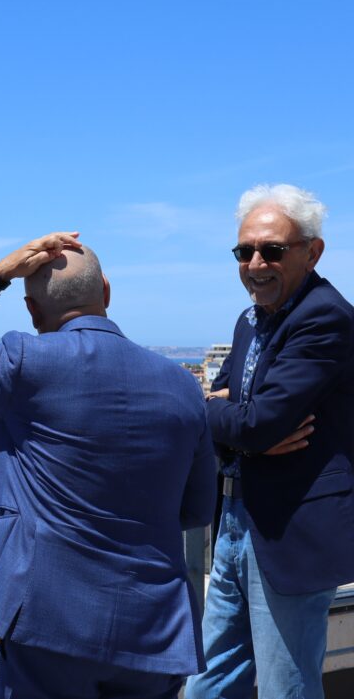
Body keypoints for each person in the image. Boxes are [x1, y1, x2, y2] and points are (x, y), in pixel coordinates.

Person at [0, 232, 217, 699]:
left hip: (49, 618)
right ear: (107, 292)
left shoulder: (25, 362)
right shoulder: (181, 385)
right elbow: (197, 508)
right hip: (156, 624)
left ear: (32, 311)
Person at [186, 184, 354, 699]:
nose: (256, 263)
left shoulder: (325, 318)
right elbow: (242, 424)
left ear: (312, 252)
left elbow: (258, 422)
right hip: (233, 521)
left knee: (286, 687)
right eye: (245, 251)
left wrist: (221, 413)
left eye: (272, 250)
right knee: (208, 684)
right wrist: (234, 426)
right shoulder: (250, 320)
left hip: (289, 531)